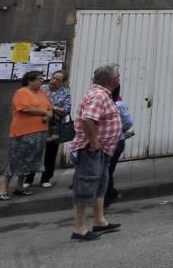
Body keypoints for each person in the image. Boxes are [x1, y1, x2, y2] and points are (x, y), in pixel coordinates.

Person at [69, 64, 122, 241]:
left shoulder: (102, 94)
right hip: (92, 150)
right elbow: (87, 119)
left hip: (103, 150)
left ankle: (100, 221)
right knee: (86, 186)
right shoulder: (99, 95)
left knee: (100, 185)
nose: (119, 79)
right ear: (110, 80)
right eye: (118, 76)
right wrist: (93, 141)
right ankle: (79, 228)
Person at [0, 71, 52, 200]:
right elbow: (25, 108)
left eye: (42, 79)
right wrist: (45, 112)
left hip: (40, 131)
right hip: (23, 132)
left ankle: (19, 187)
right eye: (39, 79)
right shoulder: (22, 92)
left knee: (28, 161)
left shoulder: (42, 93)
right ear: (30, 81)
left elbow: (50, 107)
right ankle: (4, 187)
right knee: (16, 159)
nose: (42, 81)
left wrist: (49, 114)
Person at [25, 70, 70, 188]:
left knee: (51, 152)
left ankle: (46, 178)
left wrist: (51, 107)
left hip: (54, 126)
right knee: (35, 152)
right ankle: (28, 179)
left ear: (63, 82)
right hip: (38, 124)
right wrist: (54, 108)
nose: (54, 81)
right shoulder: (42, 89)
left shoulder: (65, 93)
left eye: (58, 80)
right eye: (53, 78)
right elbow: (33, 105)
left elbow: (66, 110)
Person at [104, 86, 134, 209]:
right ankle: (111, 192)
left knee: (106, 170)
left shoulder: (117, 104)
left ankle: (107, 197)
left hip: (116, 142)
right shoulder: (107, 102)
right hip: (111, 142)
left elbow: (128, 121)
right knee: (107, 170)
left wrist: (118, 130)